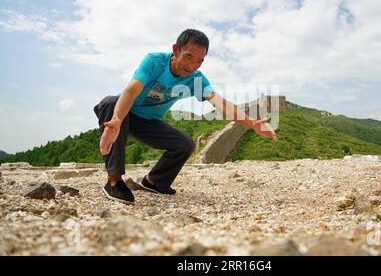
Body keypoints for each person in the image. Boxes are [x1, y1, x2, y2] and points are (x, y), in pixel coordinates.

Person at [93, 29, 278, 205]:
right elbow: (132, 90)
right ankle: (114, 181)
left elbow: (220, 103)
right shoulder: (154, 61)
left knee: (185, 144)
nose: (192, 66)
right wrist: (117, 119)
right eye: (189, 57)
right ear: (176, 49)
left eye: (199, 61)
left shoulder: (196, 79)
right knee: (110, 102)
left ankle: (153, 182)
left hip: (148, 123)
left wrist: (252, 123)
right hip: (122, 114)